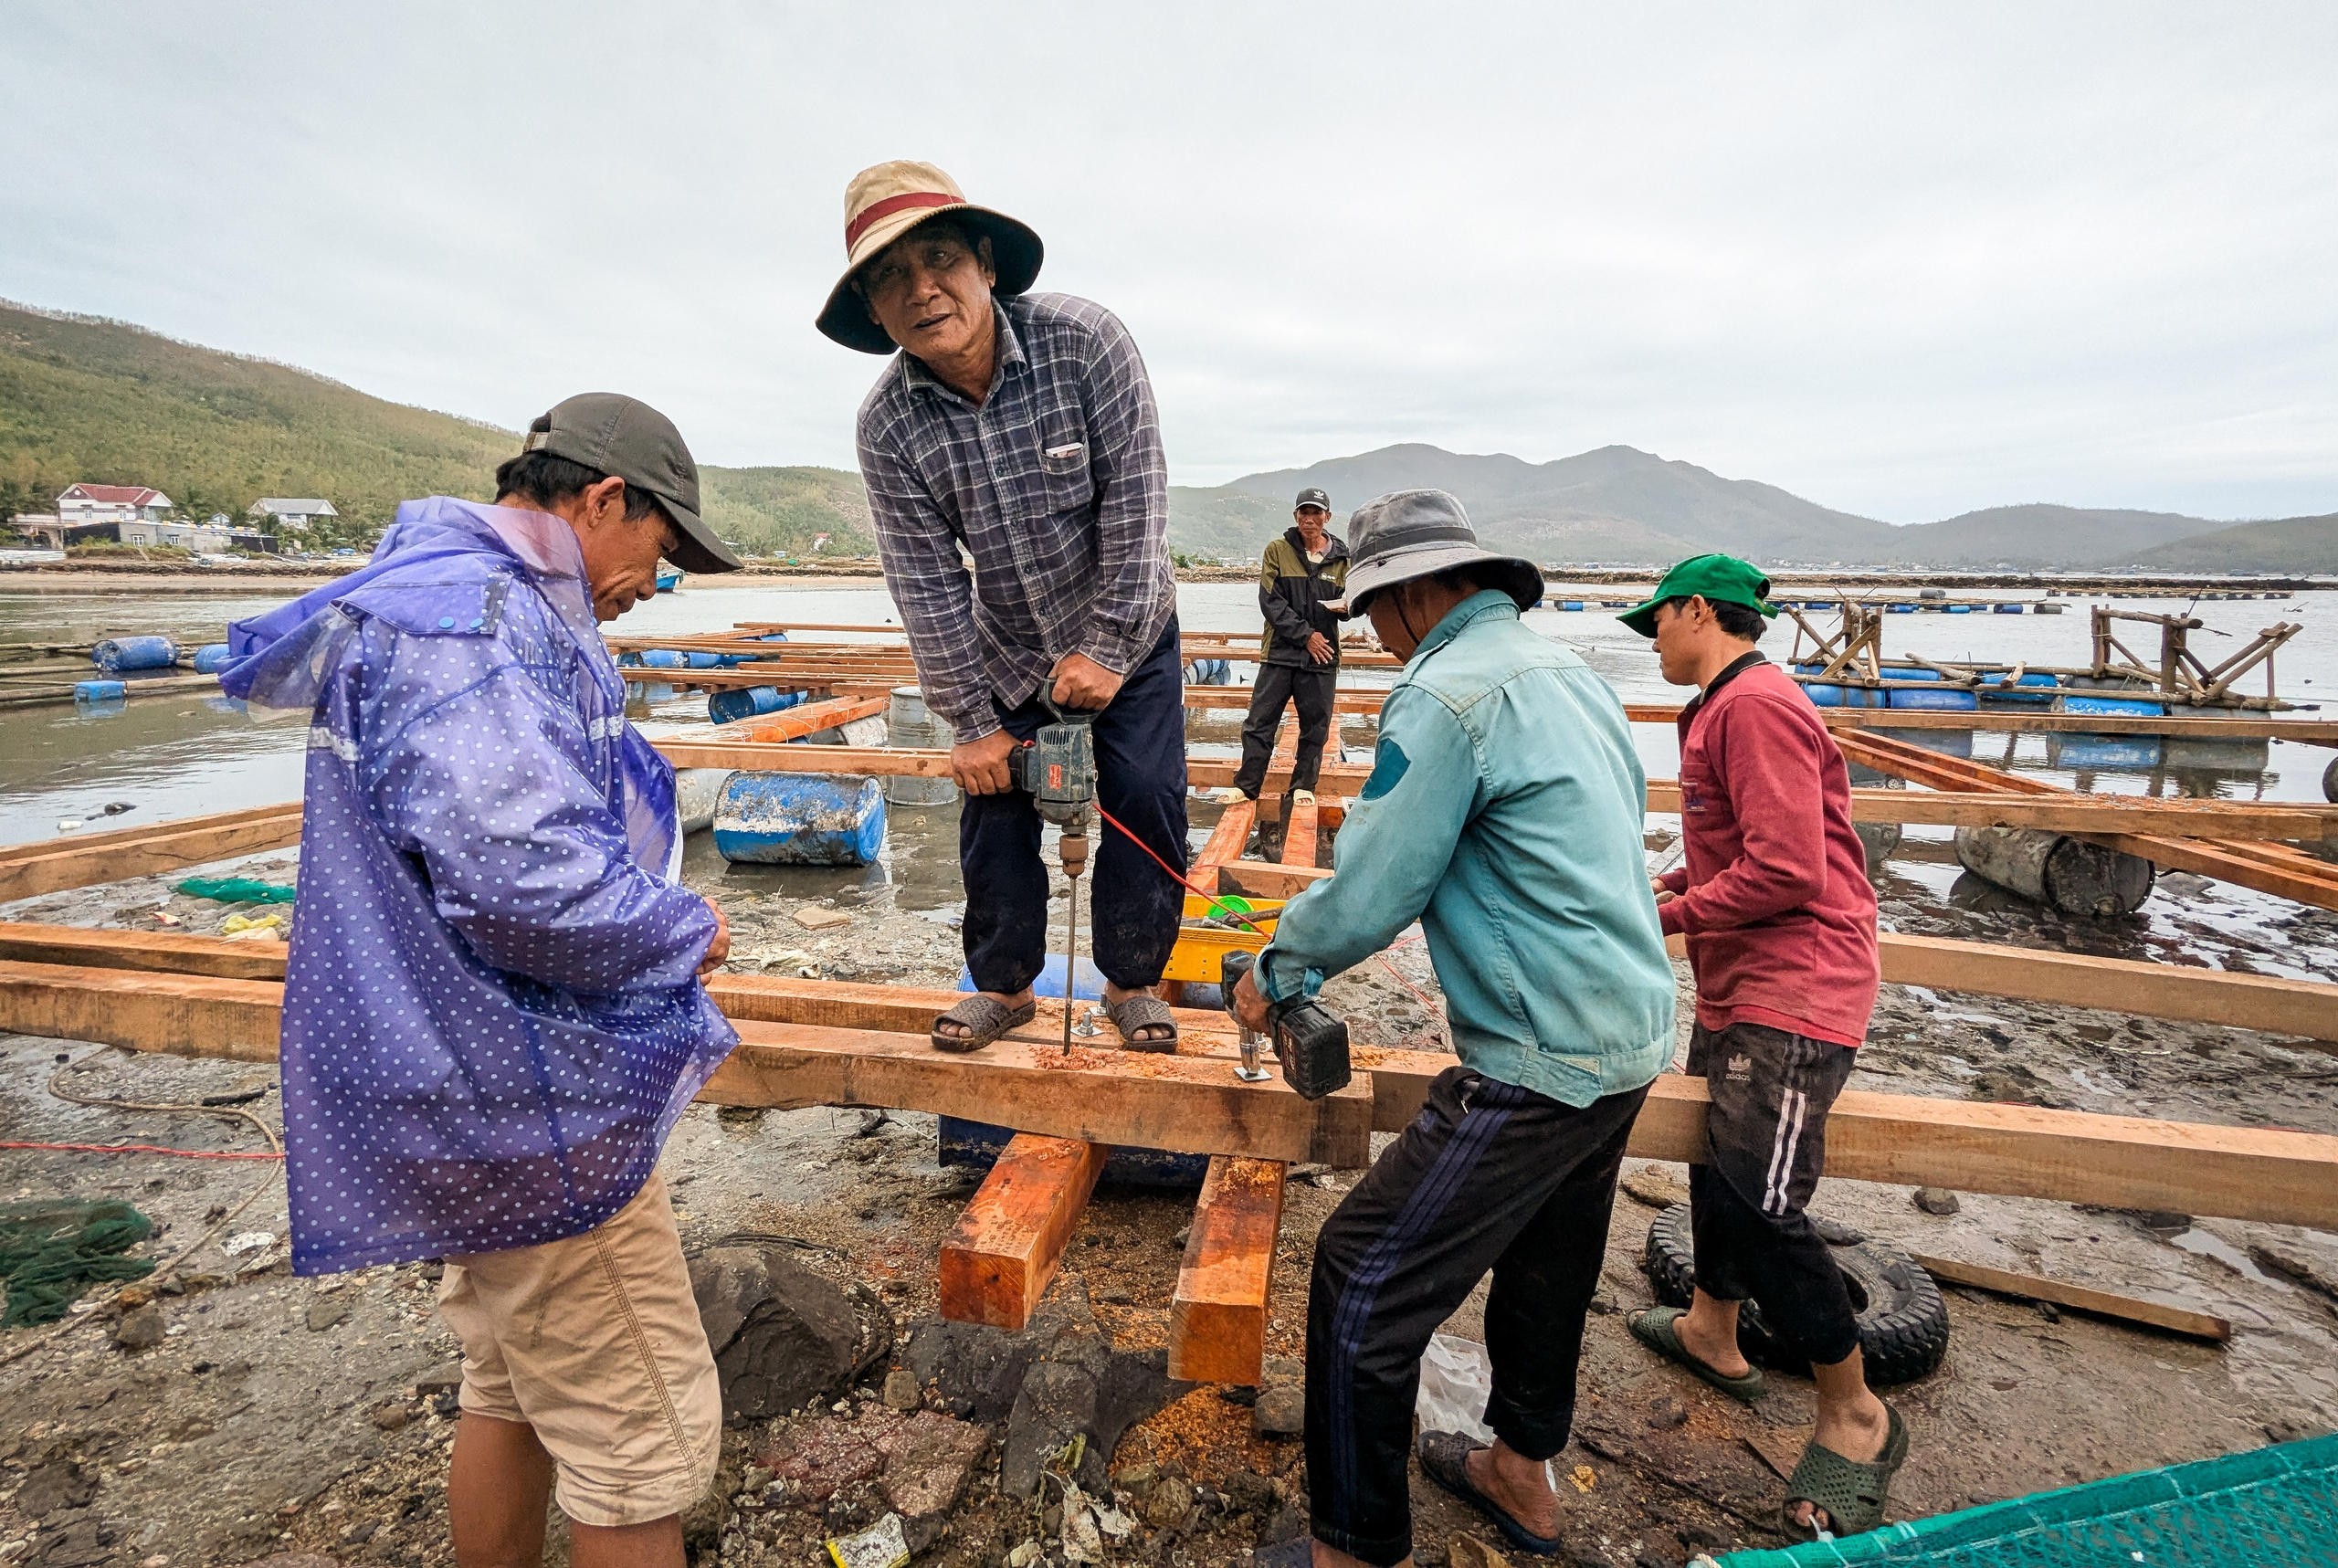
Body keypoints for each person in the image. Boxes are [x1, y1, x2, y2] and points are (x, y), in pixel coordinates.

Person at [219, 395, 743, 1568]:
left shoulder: (424, 592)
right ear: (604, 501)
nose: (655, 584)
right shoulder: (480, 622)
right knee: (637, 1435)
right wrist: (677, 925)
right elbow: (523, 881)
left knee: (507, 1380)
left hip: (441, 1069)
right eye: (659, 551)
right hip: (523, 1094)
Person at [1231, 490, 1675, 1568]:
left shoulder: (1447, 693)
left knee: (1358, 1281)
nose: (1375, 640)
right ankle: (1520, 1475)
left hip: (1537, 1057)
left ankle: (1353, 1547)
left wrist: (1274, 966)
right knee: (1547, 1260)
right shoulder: (1568, 672)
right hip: (1627, 1035)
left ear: (1419, 592)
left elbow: (1374, 884)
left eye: (1377, 612)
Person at [820, 159, 1187, 1053]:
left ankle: (1132, 980)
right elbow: (925, 578)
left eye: (938, 258)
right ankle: (1006, 988)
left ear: (984, 260)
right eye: (890, 278)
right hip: (1010, 644)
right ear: (873, 309)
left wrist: (1107, 647)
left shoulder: (1085, 342)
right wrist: (971, 720)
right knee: (993, 812)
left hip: (1126, 628)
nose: (922, 289)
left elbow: (1137, 504)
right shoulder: (887, 425)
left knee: (1142, 794)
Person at [1617, 553, 1903, 1540]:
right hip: (1741, 981)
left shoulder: (1755, 706)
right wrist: (1675, 895)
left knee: (1762, 1197)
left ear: (1700, 611)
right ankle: (1711, 1328)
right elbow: (1740, 844)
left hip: (1797, 992)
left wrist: (1668, 915)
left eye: (1656, 620)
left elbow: (1786, 868)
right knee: (1713, 1160)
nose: (1650, 638)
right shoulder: (1719, 705)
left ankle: (1856, 1413)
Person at [1227, 487, 1354, 809]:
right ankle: (1247, 786)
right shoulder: (1278, 550)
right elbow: (1270, 602)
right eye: (1304, 513)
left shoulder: (1343, 559)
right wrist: (1305, 636)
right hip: (1280, 654)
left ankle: (1303, 786)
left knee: (1316, 725)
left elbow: (1354, 601)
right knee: (1259, 722)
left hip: (1323, 655)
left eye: (1316, 513)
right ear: (1296, 516)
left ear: (1327, 517)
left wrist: (1349, 608)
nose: (1310, 520)